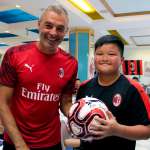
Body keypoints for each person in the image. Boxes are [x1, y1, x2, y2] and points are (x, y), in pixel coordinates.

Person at [0, 4, 78, 150]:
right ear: (39, 25)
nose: (53, 33)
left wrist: (81, 116)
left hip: (51, 142)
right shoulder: (14, 54)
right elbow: (3, 103)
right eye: (48, 26)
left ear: (66, 32)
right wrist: (19, 144)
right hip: (16, 141)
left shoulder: (71, 63)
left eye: (60, 29)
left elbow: (65, 102)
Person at [66, 35, 150, 150]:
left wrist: (117, 130)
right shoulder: (84, 87)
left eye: (111, 54)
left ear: (121, 60)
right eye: (99, 54)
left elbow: (147, 131)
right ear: (94, 58)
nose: (104, 58)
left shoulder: (133, 89)